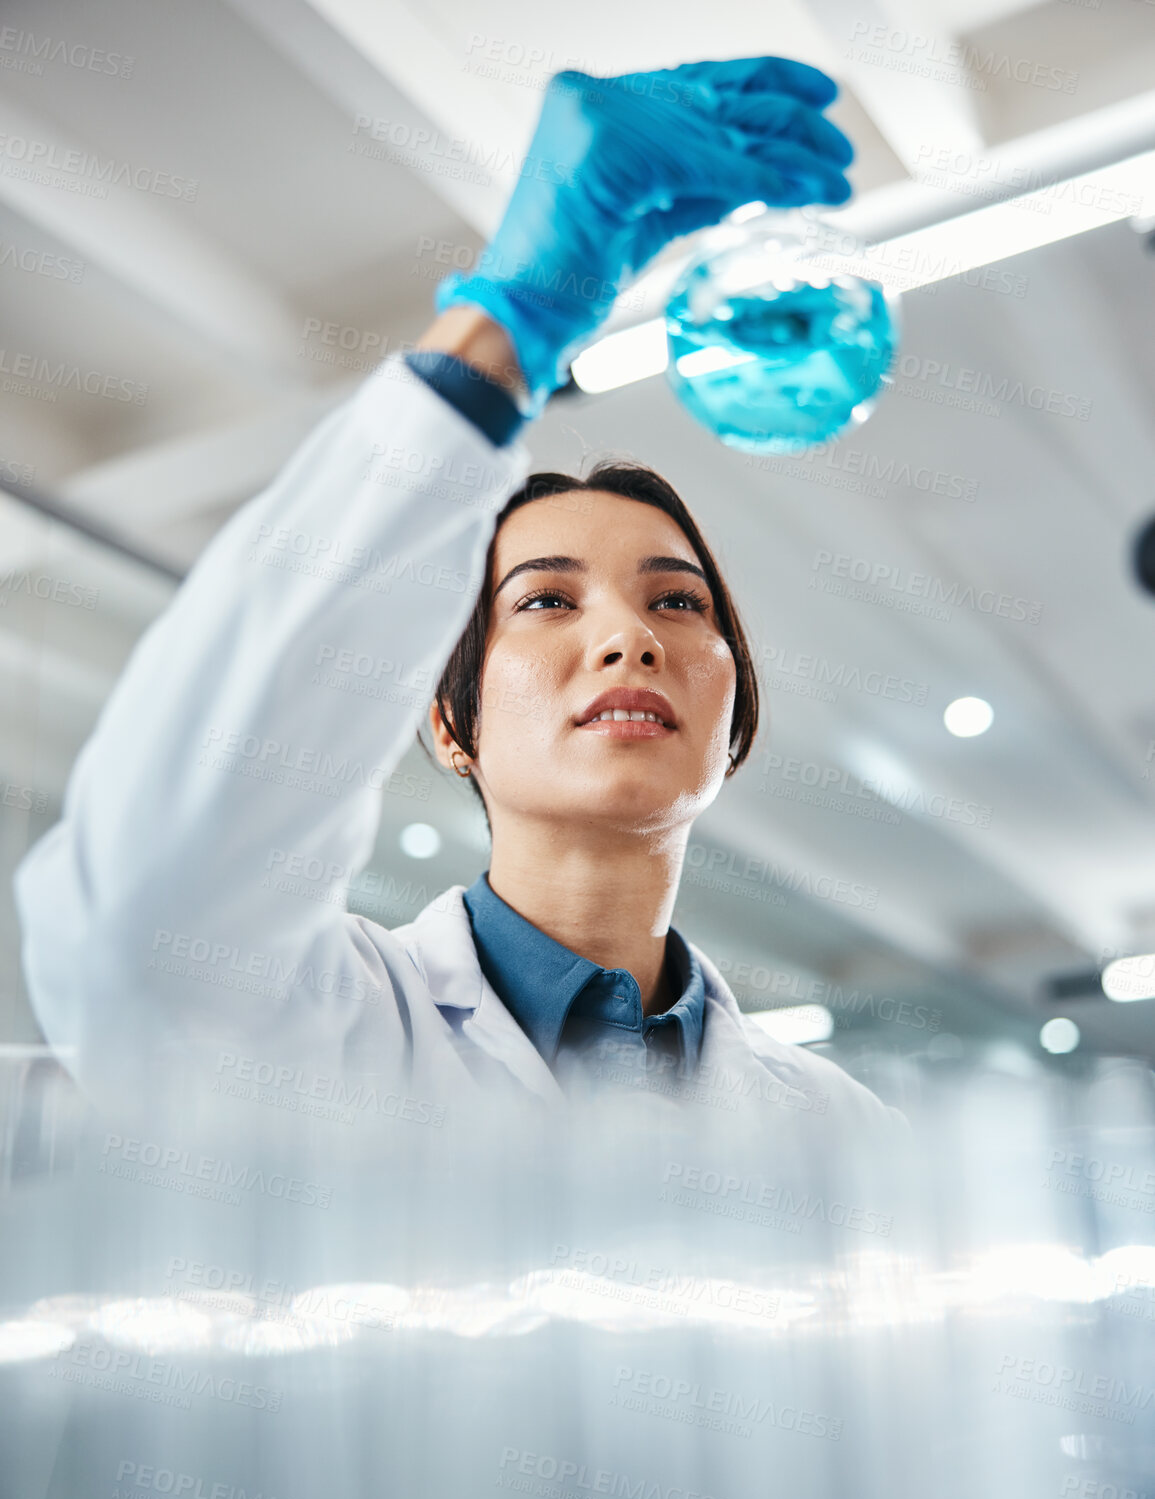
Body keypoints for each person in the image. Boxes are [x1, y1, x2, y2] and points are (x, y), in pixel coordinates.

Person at [13, 57, 897, 1134]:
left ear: (736, 714)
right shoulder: (311, 1029)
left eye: (677, 603)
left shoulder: (844, 1133)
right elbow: (139, 926)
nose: (628, 636)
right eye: (545, 602)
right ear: (449, 724)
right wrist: (505, 333)